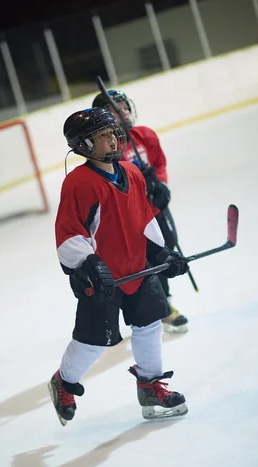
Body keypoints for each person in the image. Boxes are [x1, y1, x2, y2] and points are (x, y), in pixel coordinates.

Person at [49, 106, 189, 426]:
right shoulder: (79, 183)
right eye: (102, 136)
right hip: (102, 280)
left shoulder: (133, 172)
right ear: (84, 144)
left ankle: (151, 386)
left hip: (138, 270)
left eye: (113, 133)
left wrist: (162, 255)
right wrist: (89, 263)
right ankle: (64, 382)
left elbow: (143, 219)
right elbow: (69, 232)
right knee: (93, 340)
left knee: (150, 323)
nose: (113, 140)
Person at [92, 90, 188, 334]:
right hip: (130, 219)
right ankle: (132, 309)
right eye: (116, 109)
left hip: (154, 210)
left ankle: (165, 304)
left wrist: (161, 184)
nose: (123, 111)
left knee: (164, 251)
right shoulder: (105, 150)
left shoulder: (144, 135)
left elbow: (159, 163)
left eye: (124, 107)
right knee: (136, 262)